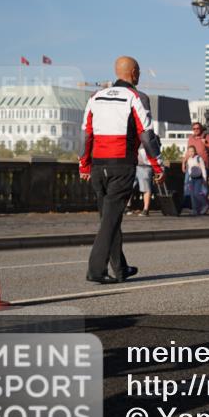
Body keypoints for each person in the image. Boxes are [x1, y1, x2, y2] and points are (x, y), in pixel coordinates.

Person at [79, 56, 163, 284]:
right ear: (134, 73)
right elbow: (146, 136)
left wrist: (84, 164)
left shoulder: (95, 97)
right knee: (109, 221)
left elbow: (86, 135)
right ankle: (96, 270)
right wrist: (157, 165)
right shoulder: (136, 97)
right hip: (121, 166)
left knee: (109, 218)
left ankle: (120, 268)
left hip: (98, 166)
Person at [183, 146, 209, 215]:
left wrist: (204, 179)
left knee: (197, 193)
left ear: (195, 151)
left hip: (199, 178)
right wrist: (189, 179)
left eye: (192, 151)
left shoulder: (198, 158)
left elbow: (203, 169)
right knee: (192, 195)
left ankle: (205, 204)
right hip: (192, 179)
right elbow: (189, 170)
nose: (191, 153)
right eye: (189, 151)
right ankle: (195, 210)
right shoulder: (189, 160)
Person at [133, 144, 154, 216]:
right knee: (128, 187)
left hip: (144, 166)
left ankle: (145, 209)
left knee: (145, 188)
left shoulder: (147, 139)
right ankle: (127, 207)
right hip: (134, 165)